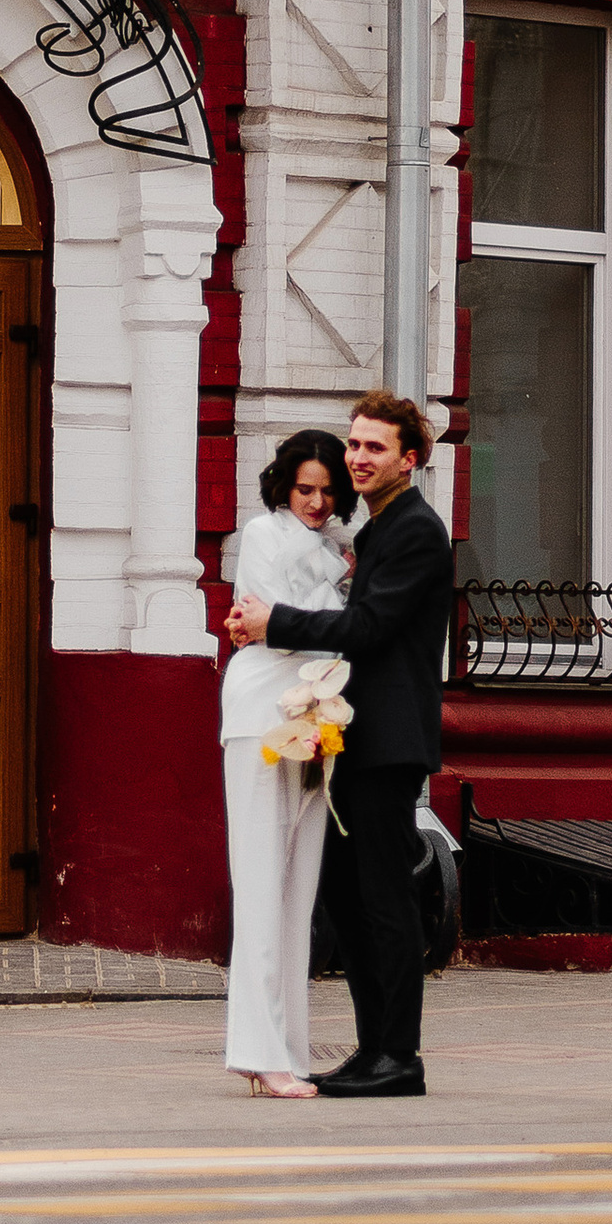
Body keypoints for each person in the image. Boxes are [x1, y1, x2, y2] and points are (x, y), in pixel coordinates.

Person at [225, 389, 451, 1098]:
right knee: (352, 901)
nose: (358, 457)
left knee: (383, 899)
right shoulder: (376, 530)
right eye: (354, 443)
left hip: (388, 740)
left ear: (409, 459)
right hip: (350, 736)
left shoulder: (414, 529)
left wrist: (275, 624)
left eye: (374, 447)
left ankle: (398, 1057)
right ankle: (372, 1049)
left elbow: (371, 630)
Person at [219, 431, 356, 1098]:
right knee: (261, 886)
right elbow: (274, 621)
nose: (318, 501)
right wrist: (313, 613)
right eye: (306, 489)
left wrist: (304, 614)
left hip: (316, 717)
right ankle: (256, 1049)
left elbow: (305, 622)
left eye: (329, 491)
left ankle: (288, 1050)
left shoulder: (334, 551)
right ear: (283, 485)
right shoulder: (262, 533)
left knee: (297, 892)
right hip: (257, 717)